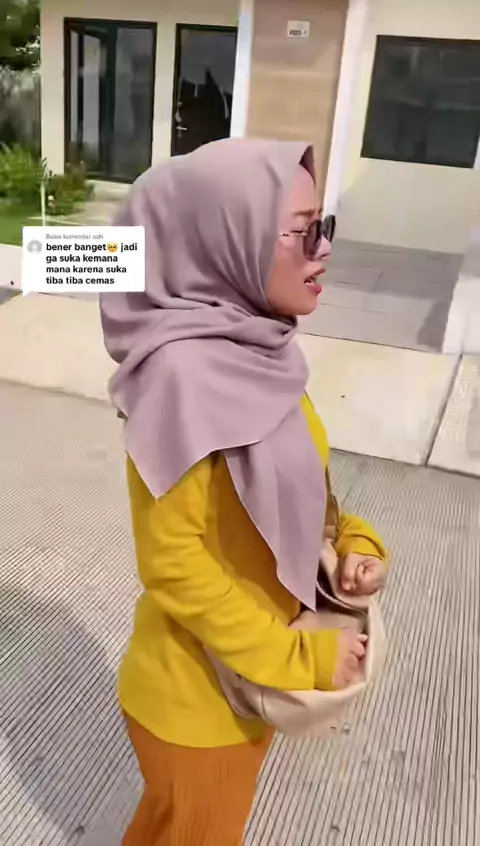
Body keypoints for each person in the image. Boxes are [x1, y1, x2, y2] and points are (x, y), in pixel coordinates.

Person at [99, 138, 387, 846]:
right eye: (300, 232)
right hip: (199, 705)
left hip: (247, 682)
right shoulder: (181, 383)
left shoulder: (264, 352)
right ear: (223, 243)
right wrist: (302, 659)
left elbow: (308, 498)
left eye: (324, 225)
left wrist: (355, 545)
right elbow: (173, 564)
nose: (322, 250)